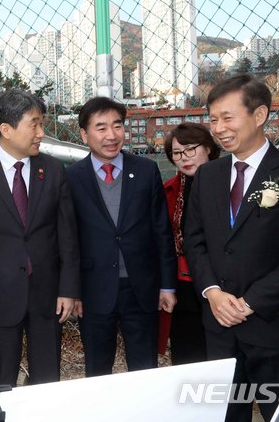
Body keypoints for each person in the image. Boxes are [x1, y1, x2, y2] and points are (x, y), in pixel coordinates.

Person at [184, 75, 279, 422]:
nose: (218, 128)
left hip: (275, 326)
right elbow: (195, 238)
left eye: (227, 117)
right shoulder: (208, 175)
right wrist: (213, 292)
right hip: (219, 326)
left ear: (260, 114)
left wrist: (250, 303)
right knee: (224, 415)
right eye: (213, 118)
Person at [0, 88, 80, 386]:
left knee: (47, 378)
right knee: (2, 380)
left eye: (42, 123)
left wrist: (68, 289)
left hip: (47, 295)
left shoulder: (53, 170)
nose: (42, 132)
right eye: (35, 124)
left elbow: (67, 235)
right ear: (6, 129)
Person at [66, 96, 176, 377]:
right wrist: (72, 290)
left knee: (144, 369)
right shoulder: (71, 178)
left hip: (140, 288)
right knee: (97, 370)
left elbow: (161, 231)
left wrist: (167, 286)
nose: (111, 135)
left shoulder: (145, 171)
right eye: (101, 127)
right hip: (93, 290)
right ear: (84, 134)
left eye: (117, 126)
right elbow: (68, 239)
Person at [158, 123, 221, 365]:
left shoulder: (229, 186)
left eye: (190, 149)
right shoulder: (168, 191)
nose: (183, 158)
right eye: (176, 153)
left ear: (208, 148)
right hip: (183, 285)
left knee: (220, 357)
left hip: (222, 284)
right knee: (187, 355)